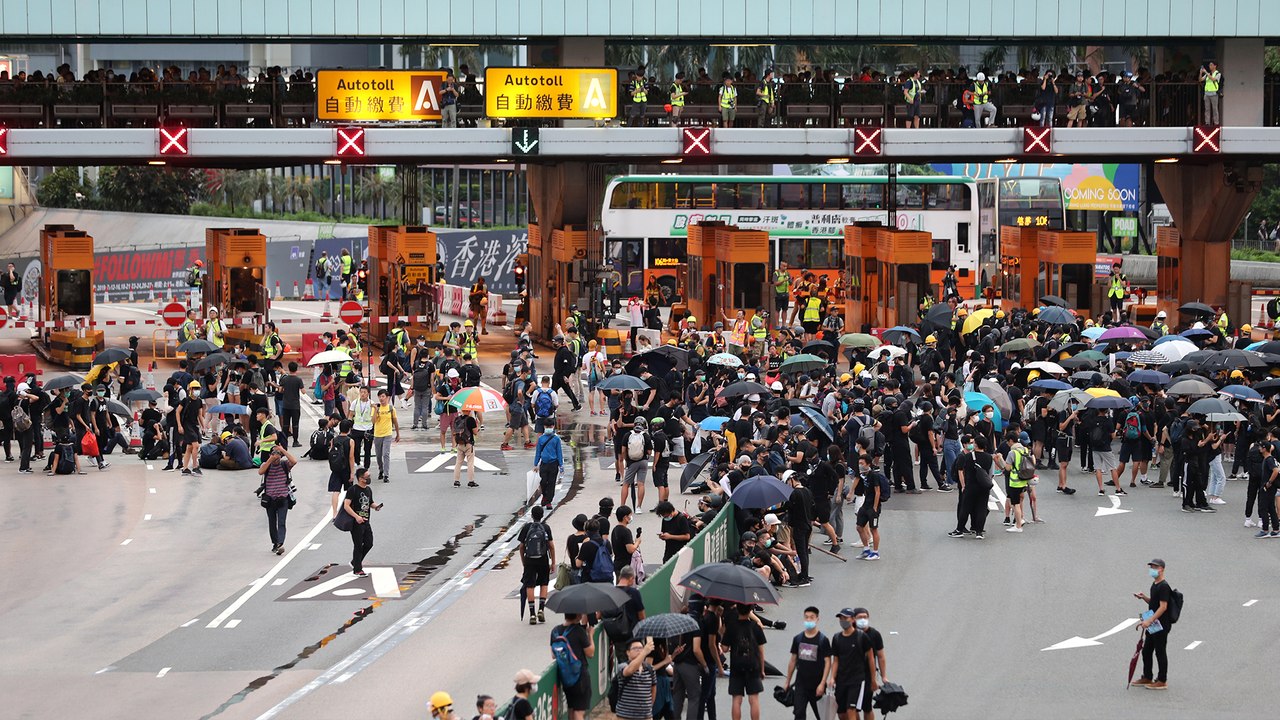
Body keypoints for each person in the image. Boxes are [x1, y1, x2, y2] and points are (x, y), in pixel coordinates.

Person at [1131, 559, 1174, 690]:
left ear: (1162, 569)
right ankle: (1147, 676)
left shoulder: (1164, 586)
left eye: (1155, 567)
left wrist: (1149, 621)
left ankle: (1162, 680)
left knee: (1160, 651)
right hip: (1154, 623)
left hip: (1161, 624)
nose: (1152, 569)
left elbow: (1163, 607)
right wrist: (1144, 597)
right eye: (1151, 567)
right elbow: (1154, 603)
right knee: (1147, 650)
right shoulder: (1155, 584)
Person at [783, 606, 832, 720]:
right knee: (799, 714)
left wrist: (822, 683)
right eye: (806, 617)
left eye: (812, 617)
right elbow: (793, 660)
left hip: (817, 685)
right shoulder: (798, 639)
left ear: (817, 619)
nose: (809, 620)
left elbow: (828, 662)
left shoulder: (823, 640)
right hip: (801, 684)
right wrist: (787, 681)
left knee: (822, 716)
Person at [828, 608, 877, 720]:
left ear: (853, 619)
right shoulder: (836, 638)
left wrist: (873, 680)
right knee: (841, 713)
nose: (843, 620)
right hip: (841, 680)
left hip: (857, 680)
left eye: (846, 618)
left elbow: (871, 659)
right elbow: (835, 660)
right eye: (841, 618)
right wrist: (832, 678)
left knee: (851, 709)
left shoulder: (861, 637)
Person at [722, 603, 766, 720]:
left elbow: (724, 648)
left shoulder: (731, 626)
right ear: (750, 610)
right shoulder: (755, 626)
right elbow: (761, 651)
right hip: (753, 666)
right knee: (754, 699)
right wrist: (762, 669)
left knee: (737, 700)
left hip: (736, 667)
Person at [552, 614, 595, 720]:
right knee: (579, 712)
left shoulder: (555, 631)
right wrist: (590, 635)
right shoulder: (579, 631)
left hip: (566, 677)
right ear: (578, 616)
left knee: (571, 709)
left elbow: (553, 655)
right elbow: (590, 653)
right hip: (580, 676)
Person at [518, 504, 555, 624]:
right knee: (544, 583)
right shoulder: (546, 527)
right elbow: (551, 546)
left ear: (532, 515)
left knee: (530, 585)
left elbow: (521, 547)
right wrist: (553, 562)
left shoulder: (526, 527)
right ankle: (541, 609)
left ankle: (532, 614)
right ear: (542, 515)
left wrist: (524, 561)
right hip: (543, 559)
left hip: (529, 559)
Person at [343, 466, 382, 577]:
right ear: (360, 479)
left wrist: (376, 507)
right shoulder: (353, 490)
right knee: (358, 545)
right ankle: (357, 569)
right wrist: (357, 517)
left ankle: (355, 562)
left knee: (369, 543)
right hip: (356, 523)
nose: (369, 478)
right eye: (367, 477)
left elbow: (370, 503)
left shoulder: (368, 490)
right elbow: (346, 506)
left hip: (366, 521)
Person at [258, 444, 295, 555]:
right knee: (272, 522)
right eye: (274, 453)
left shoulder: (285, 465)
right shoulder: (267, 465)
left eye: (278, 454)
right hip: (270, 498)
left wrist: (282, 449)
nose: (276, 456)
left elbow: (294, 461)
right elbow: (260, 471)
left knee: (282, 522)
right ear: (270, 455)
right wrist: (270, 460)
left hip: (282, 497)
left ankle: (280, 543)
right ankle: (275, 543)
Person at [615, 637, 659, 720]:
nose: (639, 651)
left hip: (645, 716)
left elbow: (653, 689)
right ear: (628, 652)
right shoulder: (623, 666)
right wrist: (644, 653)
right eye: (635, 648)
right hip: (625, 716)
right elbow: (629, 671)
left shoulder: (649, 669)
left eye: (641, 648)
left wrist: (648, 708)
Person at [371, 388, 400, 483]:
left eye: (383, 396)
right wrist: (375, 410)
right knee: (379, 455)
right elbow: (373, 421)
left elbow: (395, 422)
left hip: (387, 434)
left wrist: (398, 434)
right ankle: (381, 470)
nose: (381, 398)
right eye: (380, 396)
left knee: (385, 454)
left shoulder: (391, 409)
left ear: (387, 397)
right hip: (377, 434)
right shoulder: (376, 408)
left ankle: (386, 475)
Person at [328, 419, 356, 516]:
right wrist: (352, 472)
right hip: (346, 469)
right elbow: (351, 457)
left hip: (336, 468)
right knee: (349, 491)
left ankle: (334, 513)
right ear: (349, 429)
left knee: (336, 491)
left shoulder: (333, 440)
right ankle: (349, 511)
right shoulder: (350, 441)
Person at [532, 425, 564, 508]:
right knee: (543, 481)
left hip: (554, 463)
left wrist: (561, 465)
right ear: (544, 427)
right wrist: (535, 464)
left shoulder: (556, 439)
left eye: (550, 426)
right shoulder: (541, 439)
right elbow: (538, 452)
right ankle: (545, 496)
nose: (549, 428)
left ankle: (548, 501)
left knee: (551, 483)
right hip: (544, 463)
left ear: (553, 427)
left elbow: (559, 452)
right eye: (547, 426)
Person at [452, 406, 480, 488]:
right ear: (469, 410)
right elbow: (475, 432)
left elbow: (454, 431)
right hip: (468, 443)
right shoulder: (471, 420)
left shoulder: (457, 419)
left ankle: (456, 481)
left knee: (458, 463)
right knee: (470, 463)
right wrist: (477, 425)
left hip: (459, 443)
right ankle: (471, 481)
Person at [1200, 60, 1221, 125]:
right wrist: (1201, 73)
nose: (1210, 66)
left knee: (1215, 109)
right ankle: (1207, 122)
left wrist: (1206, 72)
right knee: (1207, 109)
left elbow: (1213, 79)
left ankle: (1216, 122)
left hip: (1214, 93)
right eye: (1209, 65)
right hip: (1207, 93)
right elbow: (1200, 79)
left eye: (1211, 65)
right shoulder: (1207, 74)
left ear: (1215, 66)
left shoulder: (1218, 74)